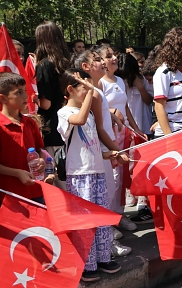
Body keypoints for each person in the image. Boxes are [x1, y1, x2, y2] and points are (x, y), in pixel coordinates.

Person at [57, 69, 122, 282]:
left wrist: (108, 154)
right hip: (80, 175)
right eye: (84, 88)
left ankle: (103, 257)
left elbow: (91, 147)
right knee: (85, 221)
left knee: (100, 217)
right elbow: (79, 120)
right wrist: (91, 92)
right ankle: (87, 263)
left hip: (97, 172)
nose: (90, 92)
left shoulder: (91, 114)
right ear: (70, 90)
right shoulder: (64, 113)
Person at [73, 49, 133, 255]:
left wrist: (112, 113)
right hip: (103, 148)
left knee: (107, 192)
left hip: (107, 147)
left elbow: (102, 118)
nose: (103, 62)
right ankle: (106, 244)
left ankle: (105, 241)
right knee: (105, 195)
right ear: (86, 67)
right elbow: (98, 128)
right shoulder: (93, 91)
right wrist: (116, 150)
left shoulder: (97, 88)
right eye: (97, 60)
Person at [97, 44, 143, 232]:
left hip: (122, 135)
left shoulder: (120, 81)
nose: (114, 58)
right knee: (111, 178)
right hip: (107, 136)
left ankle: (119, 214)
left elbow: (126, 109)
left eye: (114, 55)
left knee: (121, 178)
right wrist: (111, 111)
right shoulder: (99, 83)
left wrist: (136, 128)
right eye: (108, 56)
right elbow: (97, 108)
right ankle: (108, 221)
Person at [35, 21, 72, 189]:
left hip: (52, 129)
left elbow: (46, 104)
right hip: (70, 125)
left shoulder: (44, 65)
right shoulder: (67, 63)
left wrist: (33, 99)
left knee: (58, 182)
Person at [0, 72, 46, 204]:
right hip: (8, 196)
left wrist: (42, 161)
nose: (26, 95)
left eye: (25, 91)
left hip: (35, 190)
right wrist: (17, 173)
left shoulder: (30, 123)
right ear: (3, 99)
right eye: (18, 92)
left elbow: (39, 150)